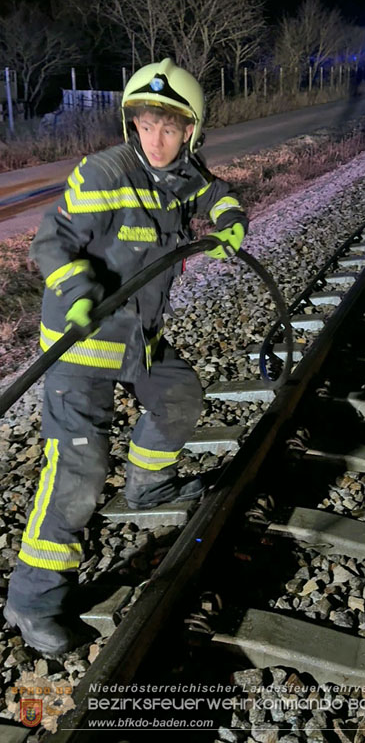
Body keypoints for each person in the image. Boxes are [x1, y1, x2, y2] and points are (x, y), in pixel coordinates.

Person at [4, 58, 248, 655]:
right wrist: (76, 288)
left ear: (191, 130)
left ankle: (148, 487)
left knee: (180, 395)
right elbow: (51, 239)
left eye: (169, 127)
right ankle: (34, 600)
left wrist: (229, 218)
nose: (156, 139)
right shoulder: (103, 172)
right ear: (130, 124)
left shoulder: (180, 173)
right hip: (81, 345)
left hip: (137, 339)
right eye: (145, 125)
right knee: (79, 472)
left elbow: (212, 190)